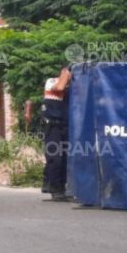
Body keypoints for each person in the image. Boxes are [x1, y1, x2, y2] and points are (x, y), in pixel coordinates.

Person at [42, 66, 72, 201]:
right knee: (55, 158)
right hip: (52, 125)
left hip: (65, 126)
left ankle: (60, 188)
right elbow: (59, 88)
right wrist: (66, 73)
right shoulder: (52, 81)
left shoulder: (72, 88)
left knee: (65, 159)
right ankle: (54, 188)